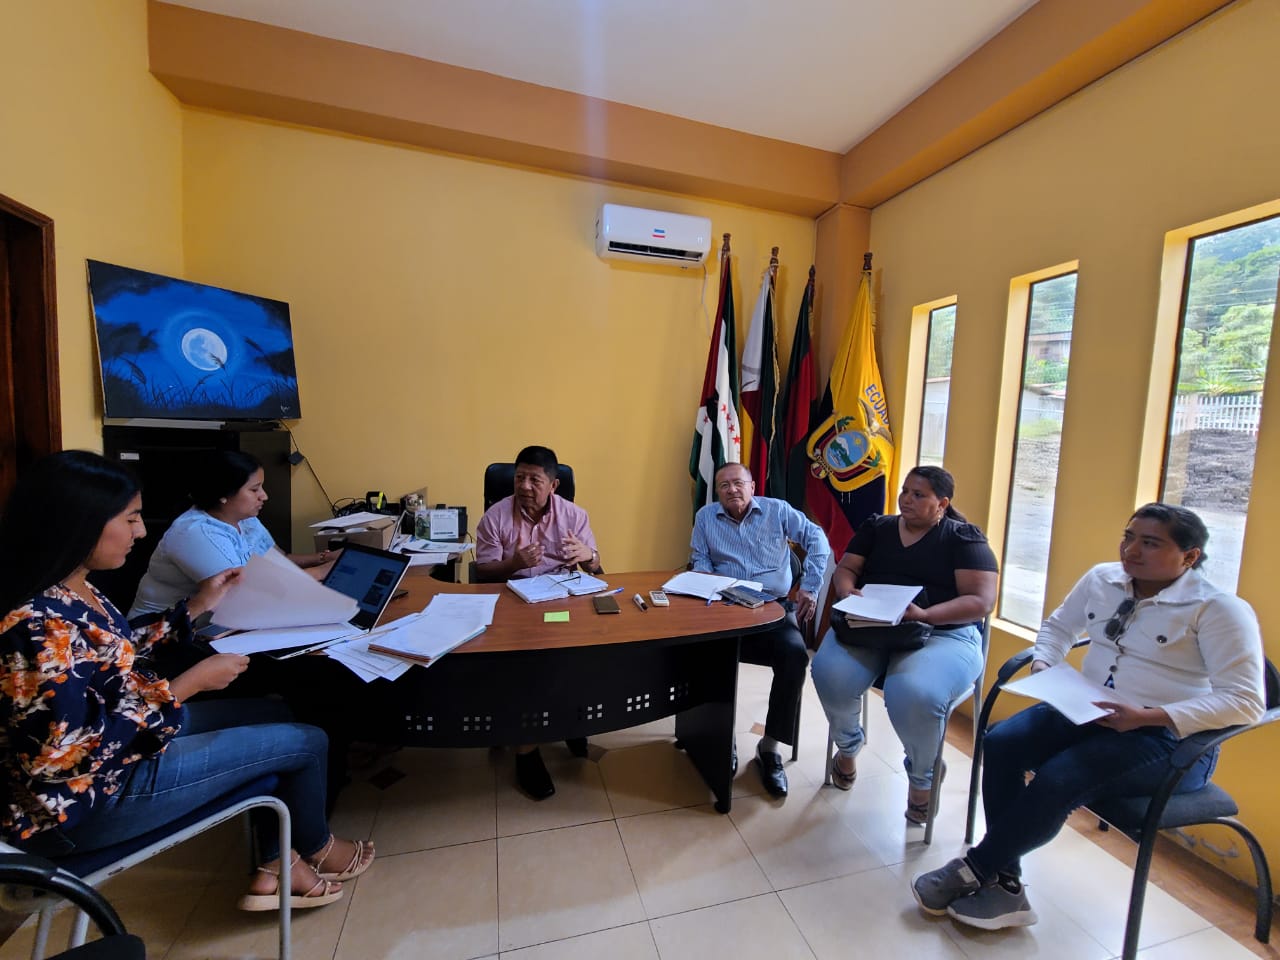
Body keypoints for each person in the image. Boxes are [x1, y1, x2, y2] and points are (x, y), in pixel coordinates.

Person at [0, 451, 374, 911]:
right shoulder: (36, 627)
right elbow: (64, 757)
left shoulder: (73, 585)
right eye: (130, 518)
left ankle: (279, 862)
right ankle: (314, 849)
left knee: (280, 713)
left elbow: (118, 651)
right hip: (86, 804)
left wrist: (197, 605)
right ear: (80, 523)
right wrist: (188, 685)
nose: (141, 531)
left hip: (130, 744)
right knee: (307, 740)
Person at [913, 503, 1264, 931]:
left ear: (1189, 557)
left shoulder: (1218, 610)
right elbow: (1058, 627)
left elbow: (1246, 701)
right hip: (1087, 710)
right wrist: (1045, 663)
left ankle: (976, 868)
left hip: (1168, 741)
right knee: (1002, 742)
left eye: (1150, 543)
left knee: (1058, 778)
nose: (1131, 550)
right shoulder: (1103, 579)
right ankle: (1007, 883)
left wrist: (1148, 716)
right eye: (1128, 537)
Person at [810, 465, 998, 821]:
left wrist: (925, 614)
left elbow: (981, 601)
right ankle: (848, 747)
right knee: (829, 672)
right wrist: (847, 591)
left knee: (912, 693)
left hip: (942, 633)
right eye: (905, 492)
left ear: (942, 503)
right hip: (872, 626)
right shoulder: (877, 528)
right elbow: (847, 569)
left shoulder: (963, 539)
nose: (906, 500)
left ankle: (923, 777)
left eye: (918, 495)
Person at [690, 462, 830, 798]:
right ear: (717, 492)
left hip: (773, 608)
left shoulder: (777, 511)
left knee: (795, 657)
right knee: (706, 654)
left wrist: (810, 587)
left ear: (752, 487)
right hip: (726, 608)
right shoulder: (706, 517)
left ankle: (769, 748)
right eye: (724, 485)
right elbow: (700, 560)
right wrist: (708, 581)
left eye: (738, 483)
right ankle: (721, 739)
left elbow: (818, 540)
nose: (732, 490)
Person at [474, 445, 603, 800]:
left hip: (561, 605)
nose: (524, 486)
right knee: (525, 666)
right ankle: (526, 751)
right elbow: (483, 573)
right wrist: (513, 563)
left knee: (582, 654)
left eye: (534, 480)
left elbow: (596, 567)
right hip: (512, 605)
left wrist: (589, 556)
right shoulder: (495, 517)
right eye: (519, 478)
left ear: (554, 485)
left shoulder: (574, 516)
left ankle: (572, 721)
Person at [129, 450, 330, 618]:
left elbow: (279, 559)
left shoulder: (244, 518)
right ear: (223, 494)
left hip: (222, 621)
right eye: (254, 490)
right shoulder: (196, 533)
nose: (264, 496)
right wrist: (319, 572)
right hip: (163, 633)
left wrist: (325, 558)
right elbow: (241, 597)